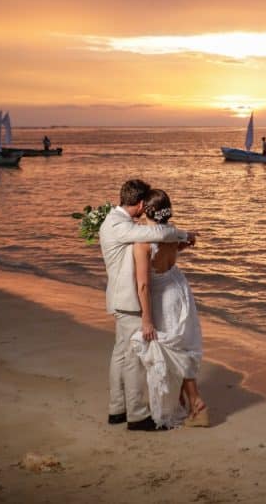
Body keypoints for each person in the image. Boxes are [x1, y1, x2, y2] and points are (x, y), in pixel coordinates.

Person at [99, 179, 196, 431]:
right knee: (133, 359)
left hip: (118, 297)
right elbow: (159, 233)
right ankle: (137, 415)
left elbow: (154, 246)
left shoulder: (113, 220)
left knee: (120, 355)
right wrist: (184, 235)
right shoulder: (122, 227)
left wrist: (177, 245)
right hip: (129, 299)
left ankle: (116, 409)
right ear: (141, 203)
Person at [131, 189, 208, 429]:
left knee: (171, 349)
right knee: (180, 345)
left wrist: (146, 319)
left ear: (146, 210)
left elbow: (143, 283)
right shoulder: (172, 232)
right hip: (180, 288)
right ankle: (187, 401)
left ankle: (196, 403)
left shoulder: (143, 242)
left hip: (162, 295)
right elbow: (172, 250)